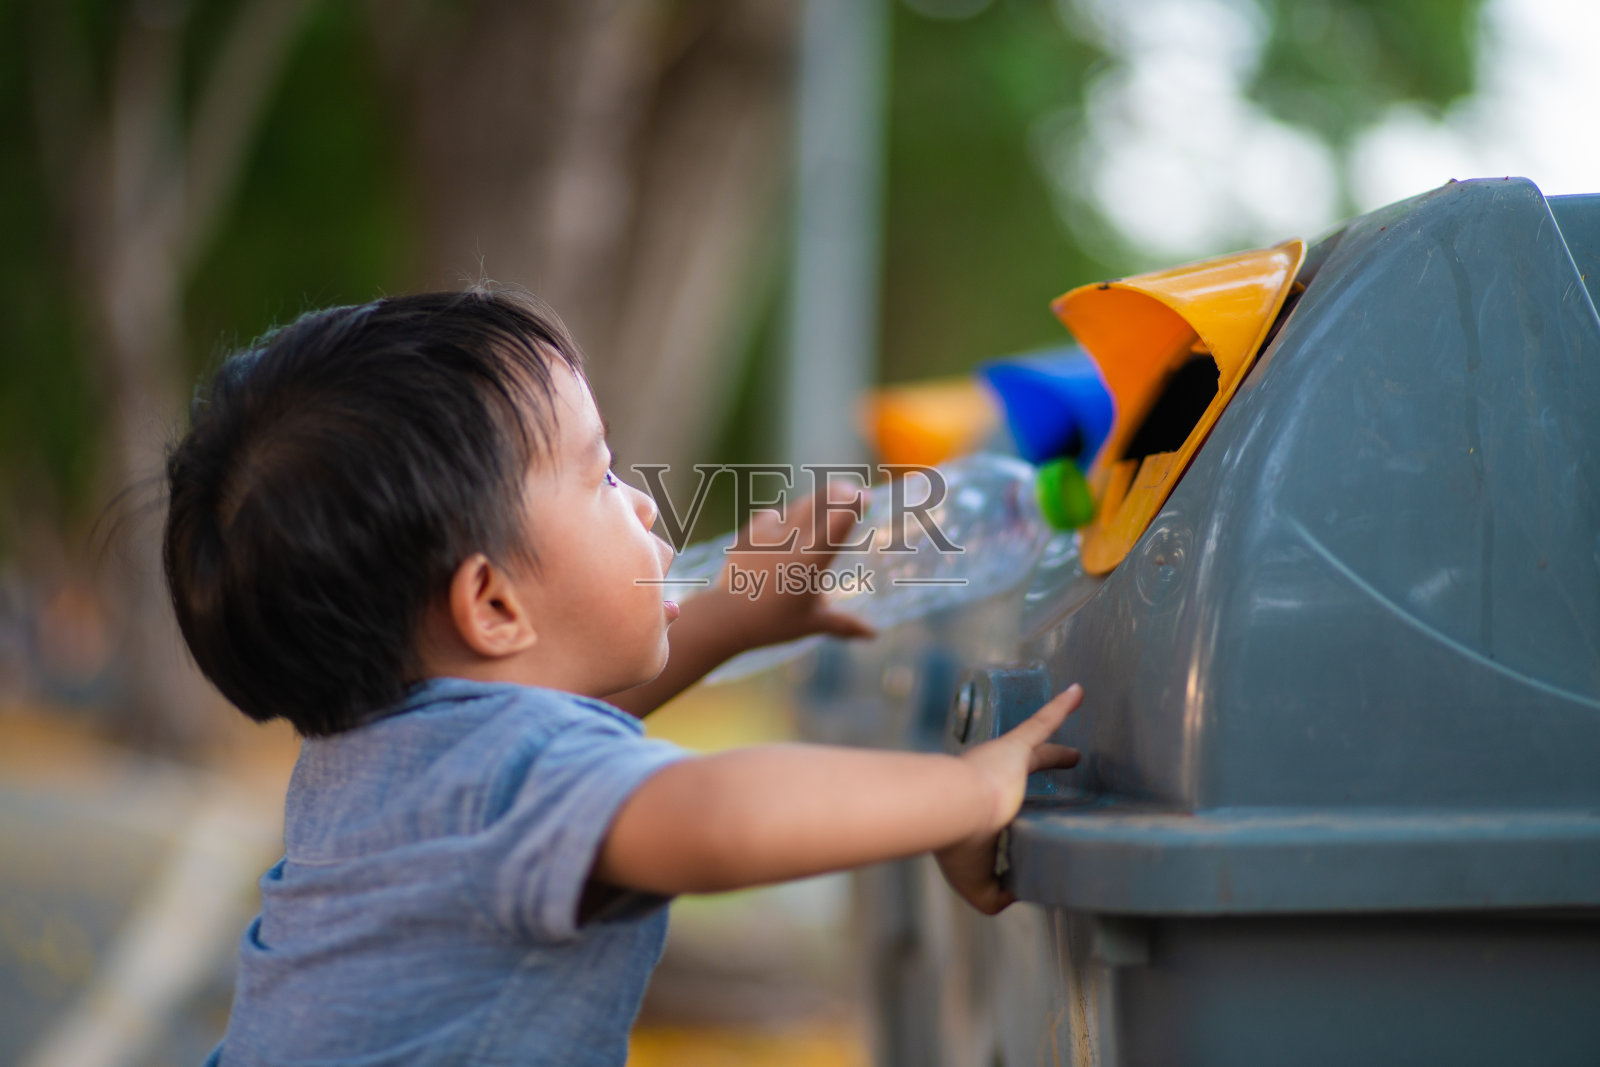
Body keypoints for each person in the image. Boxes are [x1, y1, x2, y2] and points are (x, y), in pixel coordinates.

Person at [163, 286, 1083, 1066]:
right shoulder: (503, 776)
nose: (641, 499)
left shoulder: (375, 763)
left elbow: (540, 726)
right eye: (602, 477)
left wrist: (734, 613)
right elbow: (724, 819)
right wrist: (967, 791)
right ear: (491, 604)